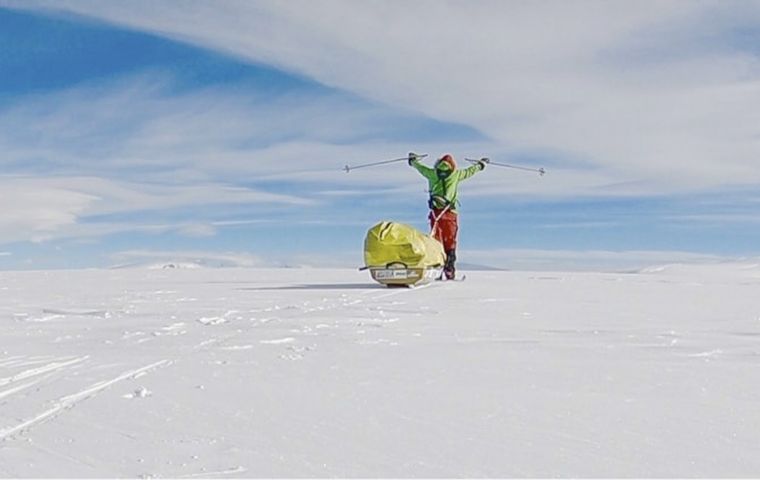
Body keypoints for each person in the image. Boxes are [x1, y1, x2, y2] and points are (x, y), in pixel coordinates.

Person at [408, 152, 487, 280]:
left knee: (436, 240)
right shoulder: (456, 174)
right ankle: (449, 269)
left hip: (436, 213)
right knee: (450, 241)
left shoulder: (432, 173)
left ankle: (437, 267)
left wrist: (412, 161)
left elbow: (420, 168)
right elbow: (470, 171)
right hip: (450, 213)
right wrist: (481, 164)